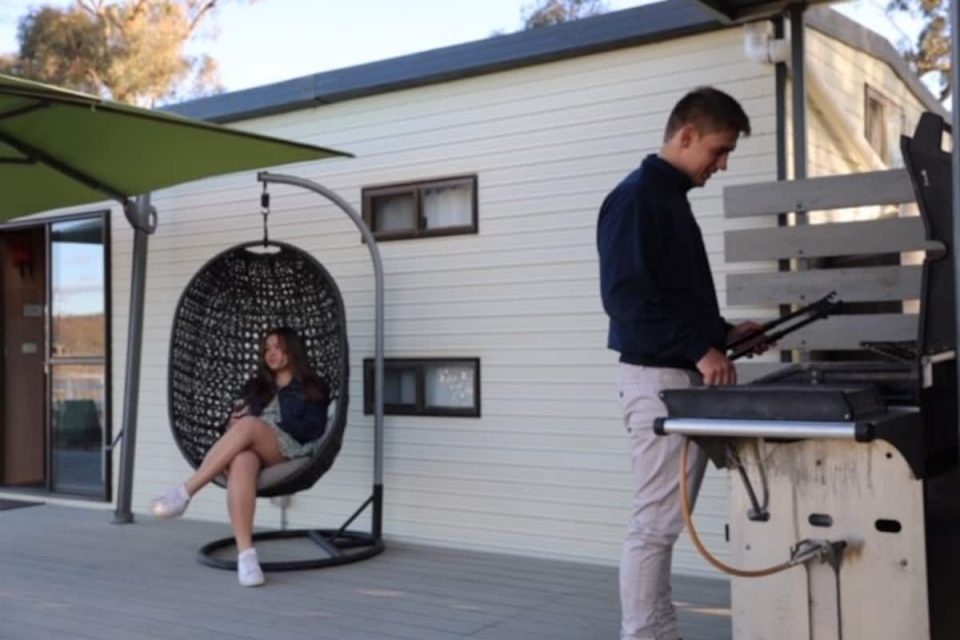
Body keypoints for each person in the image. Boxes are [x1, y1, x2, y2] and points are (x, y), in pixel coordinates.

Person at [597, 86, 768, 640]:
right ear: (687, 134)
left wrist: (723, 335)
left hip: (677, 379)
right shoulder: (636, 198)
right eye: (719, 151)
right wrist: (699, 350)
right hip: (659, 382)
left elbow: (671, 299)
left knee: (660, 525)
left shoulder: (668, 199)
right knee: (654, 527)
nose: (722, 165)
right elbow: (627, 301)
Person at [150, 326, 330, 587]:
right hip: (251, 444)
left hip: (288, 447)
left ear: (292, 351)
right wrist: (230, 423)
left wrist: (269, 424)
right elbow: (236, 421)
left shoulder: (312, 387)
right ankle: (247, 558)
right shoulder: (256, 386)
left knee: (250, 425)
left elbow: (314, 428)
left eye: (278, 347)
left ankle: (184, 493)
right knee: (242, 460)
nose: (271, 354)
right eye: (267, 349)